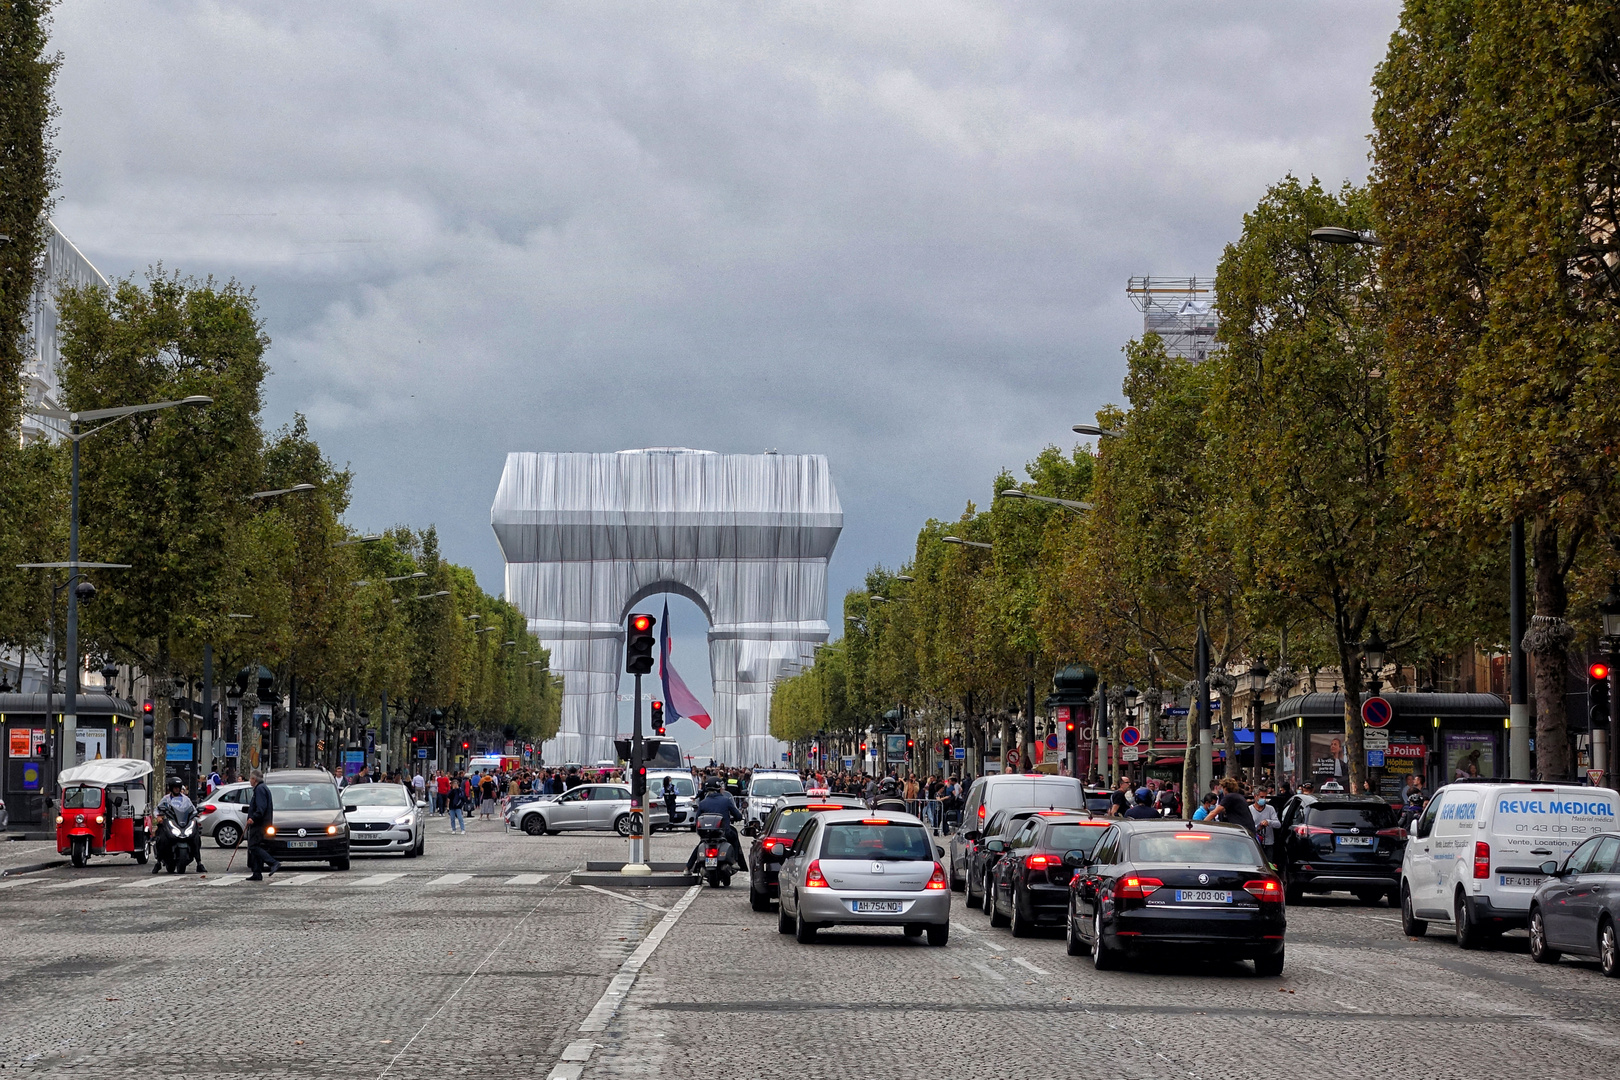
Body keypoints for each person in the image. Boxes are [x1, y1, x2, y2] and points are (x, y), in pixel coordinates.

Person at [688, 778, 745, 872]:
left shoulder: (702, 803)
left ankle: (688, 867)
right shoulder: (726, 801)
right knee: (734, 837)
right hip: (724, 833)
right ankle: (735, 861)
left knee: (700, 845)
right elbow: (738, 816)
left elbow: (697, 819)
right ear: (719, 788)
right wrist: (736, 817)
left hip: (706, 834)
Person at [154, 776, 207, 874]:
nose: (177, 789)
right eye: (175, 787)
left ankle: (199, 863)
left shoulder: (186, 799)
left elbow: (193, 810)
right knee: (162, 838)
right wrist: (158, 817)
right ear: (171, 788)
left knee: (195, 838)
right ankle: (158, 863)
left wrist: (196, 815)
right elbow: (157, 809)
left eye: (178, 787)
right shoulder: (166, 799)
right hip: (171, 822)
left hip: (183, 823)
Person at [244, 770, 279, 882]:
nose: (249, 780)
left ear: (254, 779)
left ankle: (273, 862)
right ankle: (257, 872)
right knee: (256, 846)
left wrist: (253, 818)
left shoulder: (260, 789)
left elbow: (261, 808)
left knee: (253, 846)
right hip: (261, 823)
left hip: (259, 824)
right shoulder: (262, 788)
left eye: (250, 778)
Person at [1252, 789, 1281, 864]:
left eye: (1265, 797)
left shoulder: (1270, 809)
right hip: (1255, 843)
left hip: (1268, 843)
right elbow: (1248, 826)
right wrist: (1258, 827)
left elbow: (1278, 824)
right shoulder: (1249, 809)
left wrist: (1268, 822)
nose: (1264, 799)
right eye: (1262, 797)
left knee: (1269, 863)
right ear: (1255, 796)